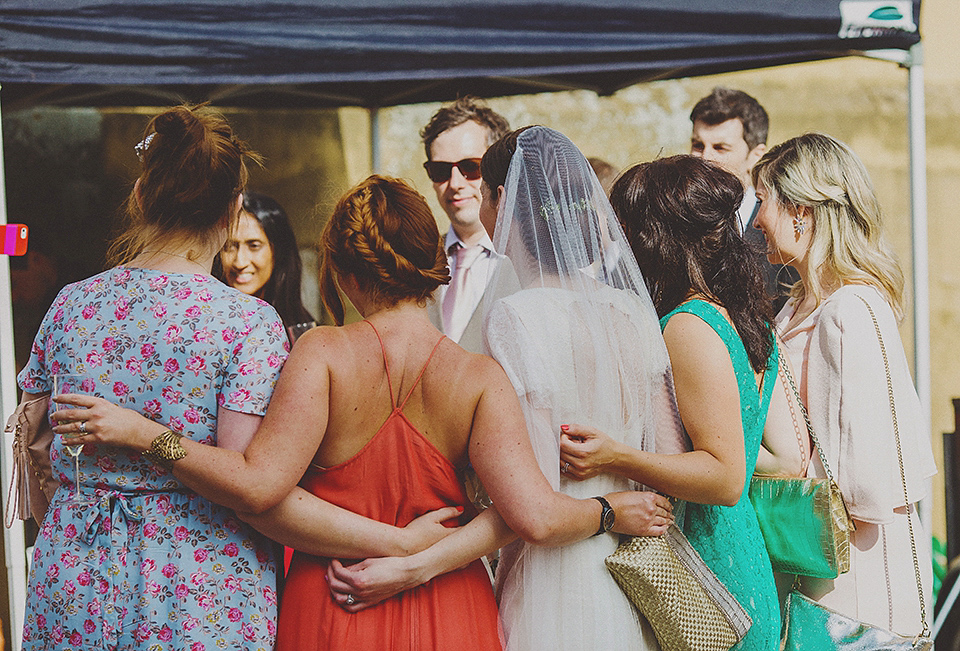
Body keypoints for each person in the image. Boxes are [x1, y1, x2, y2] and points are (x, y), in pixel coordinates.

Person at [54, 174, 674, 650]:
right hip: (448, 606)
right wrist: (424, 557)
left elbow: (262, 494)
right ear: (432, 262)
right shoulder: (479, 377)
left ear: (344, 270)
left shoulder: (321, 353)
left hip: (333, 597)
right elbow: (524, 515)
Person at [328, 127, 686, 651]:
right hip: (633, 570)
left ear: (503, 198)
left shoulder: (518, 317)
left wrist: (416, 565)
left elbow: (529, 510)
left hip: (557, 581)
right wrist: (617, 489)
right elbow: (670, 458)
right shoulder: (630, 311)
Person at [15, 104, 286, 650]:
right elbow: (244, 483)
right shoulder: (246, 321)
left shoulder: (72, 304)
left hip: (77, 571)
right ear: (233, 210)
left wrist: (76, 513)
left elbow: (35, 447)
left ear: (140, 196)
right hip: (198, 582)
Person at [561, 155, 790, 650]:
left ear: (655, 236)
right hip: (735, 564)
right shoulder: (737, 315)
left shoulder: (688, 326)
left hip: (710, 580)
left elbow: (726, 477)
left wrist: (614, 455)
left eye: (625, 230)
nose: (618, 247)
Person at [752, 132, 937, 634]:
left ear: (801, 211)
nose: (756, 220)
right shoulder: (797, 305)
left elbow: (872, 482)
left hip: (857, 572)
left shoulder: (850, 310)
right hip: (813, 560)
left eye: (762, 201)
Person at [690, 86, 798, 309]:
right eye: (697, 145)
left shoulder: (783, 233)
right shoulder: (679, 222)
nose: (705, 158)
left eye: (720, 148)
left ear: (755, 156)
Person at [420, 96, 511, 351]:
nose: (456, 183)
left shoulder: (531, 263)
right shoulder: (415, 260)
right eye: (440, 170)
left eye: (471, 167)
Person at [216, 191, 317, 331]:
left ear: (278, 251)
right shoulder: (209, 325)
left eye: (254, 246)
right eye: (229, 247)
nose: (240, 262)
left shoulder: (303, 330)